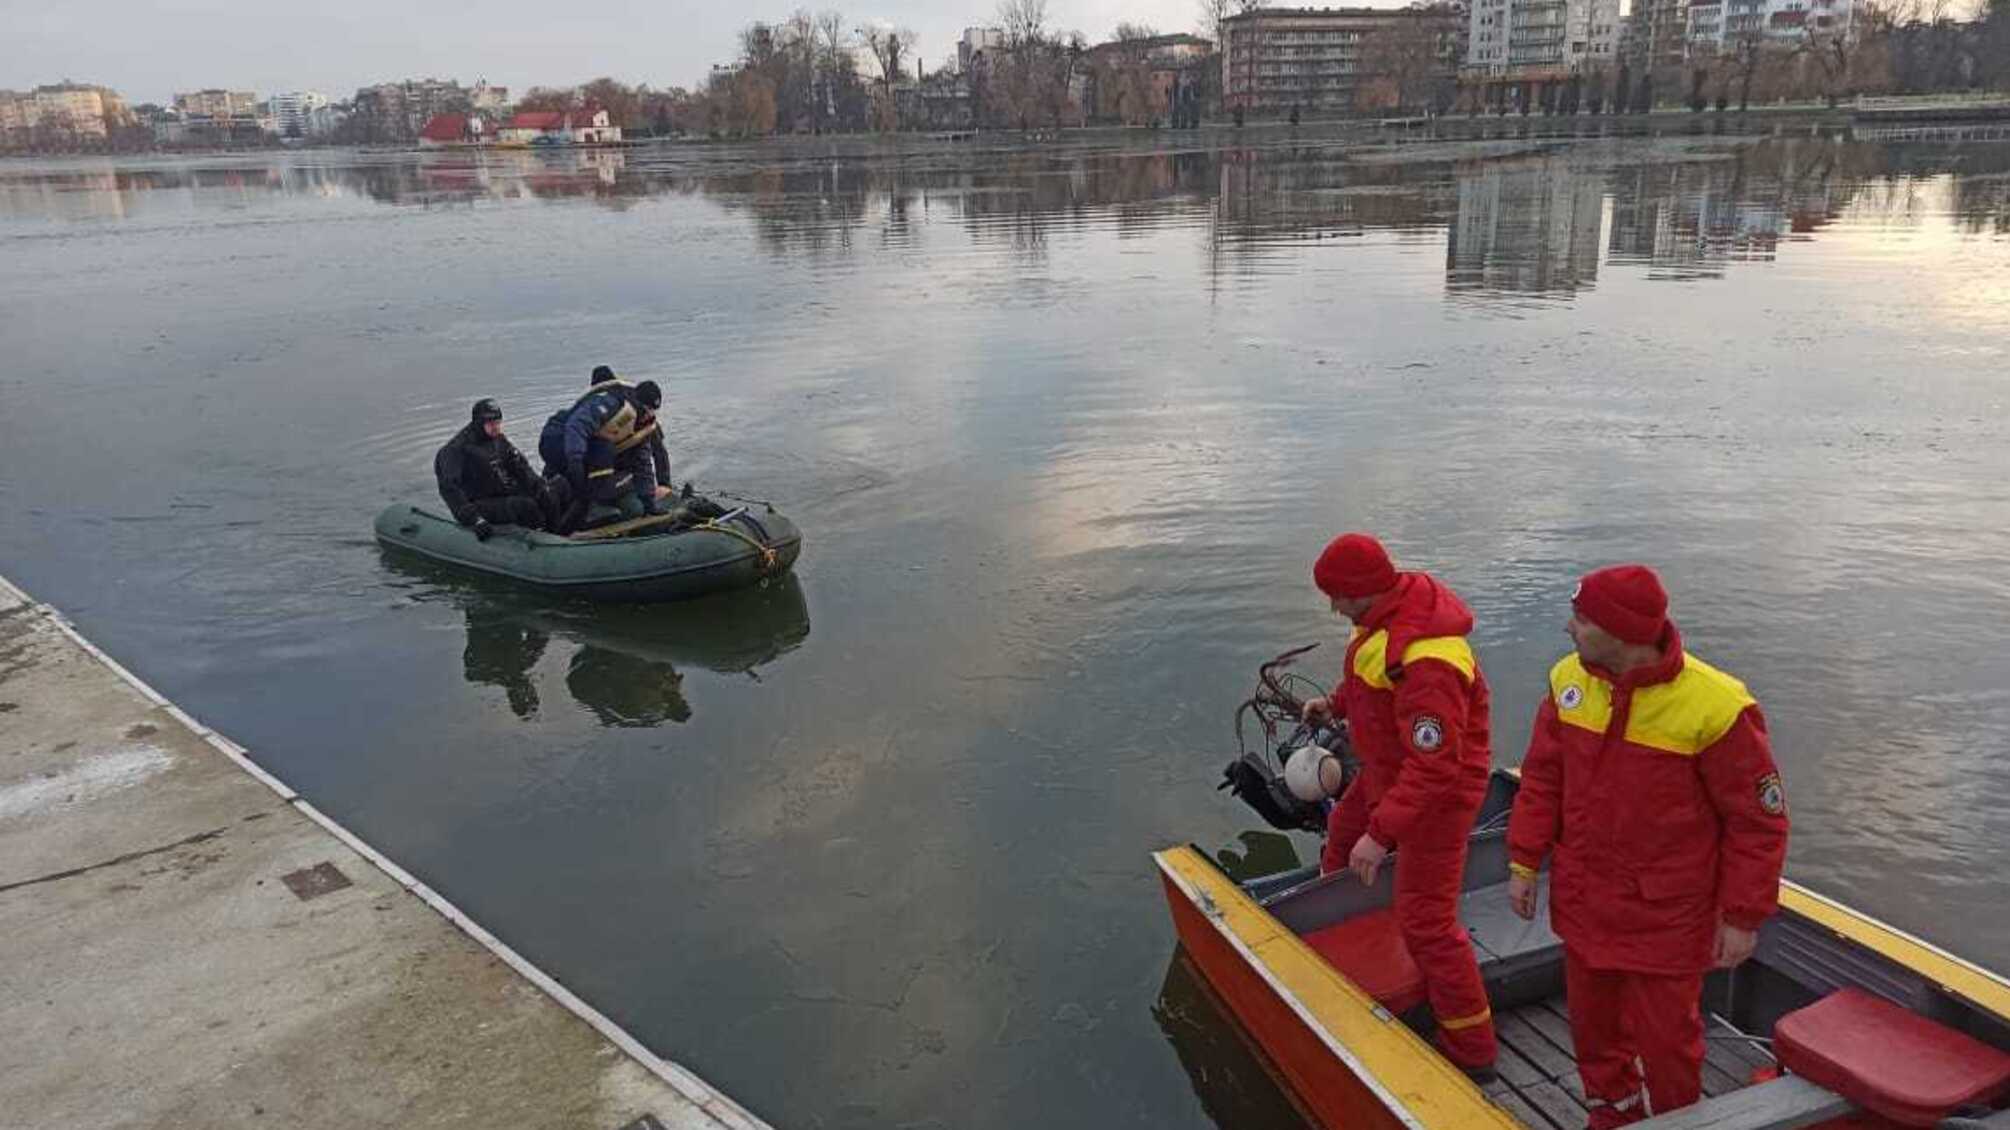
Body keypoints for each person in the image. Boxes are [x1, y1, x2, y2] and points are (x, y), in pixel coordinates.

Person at [1506, 565, 1789, 1127]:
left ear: (1623, 632)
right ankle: (1613, 1115)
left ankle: (1677, 1121)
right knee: (1594, 1033)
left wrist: (1742, 916)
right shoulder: (1569, 682)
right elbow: (1543, 780)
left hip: (1666, 919)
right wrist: (1523, 860)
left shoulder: (1715, 708)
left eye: (1582, 619)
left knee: (1668, 1043)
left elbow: (1757, 823)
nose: (1569, 628)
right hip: (1586, 905)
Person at [1298, 533, 1498, 1079]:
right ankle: (1346, 949)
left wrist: (1381, 834)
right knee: (1341, 835)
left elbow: (1436, 766)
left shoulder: (1429, 658)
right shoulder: (1388, 615)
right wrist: (1335, 703)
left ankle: (1472, 1048)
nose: (1333, 607)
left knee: (1427, 922)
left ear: (1361, 591)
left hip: (1439, 796)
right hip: (1389, 771)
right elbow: (1373, 680)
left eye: (1337, 596)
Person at [433, 398, 559, 540]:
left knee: (548, 494)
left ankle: (556, 534)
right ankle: (541, 541)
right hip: (479, 503)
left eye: (498, 423)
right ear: (479, 423)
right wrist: (475, 519)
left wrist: (539, 486)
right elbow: (450, 490)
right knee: (524, 506)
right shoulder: (456, 450)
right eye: (491, 424)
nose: (496, 427)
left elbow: (521, 467)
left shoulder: (498, 440)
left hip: (501, 492)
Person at [539, 365, 647, 526]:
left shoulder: (632, 417)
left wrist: (656, 488)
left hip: (593, 464)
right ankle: (591, 508)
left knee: (631, 502)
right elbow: (577, 427)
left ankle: (593, 504)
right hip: (566, 451)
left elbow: (645, 454)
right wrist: (576, 461)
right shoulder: (607, 407)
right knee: (600, 452)